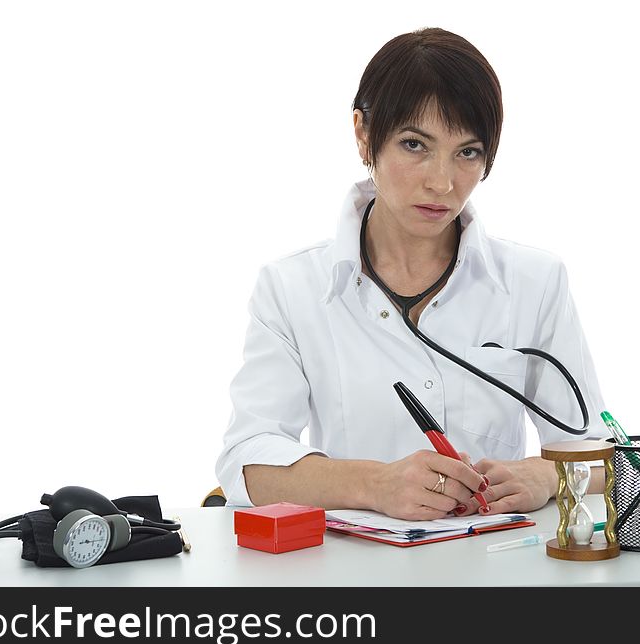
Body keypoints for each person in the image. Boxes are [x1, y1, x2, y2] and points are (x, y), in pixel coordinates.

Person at [216, 27, 610, 521]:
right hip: (355, 580)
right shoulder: (291, 288)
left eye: (466, 152)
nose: (442, 182)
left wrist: (548, 475)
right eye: (414, 145)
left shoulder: (536, 281)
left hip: (495, 567)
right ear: (363, 133)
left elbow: (604, 452)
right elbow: (247, 464)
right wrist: (376, 484)